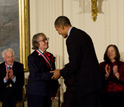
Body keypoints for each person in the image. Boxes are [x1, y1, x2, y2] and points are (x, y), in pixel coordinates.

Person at [50, 16, 104, 107]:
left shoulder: (72, 39)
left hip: (87, 85)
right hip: (94, 82)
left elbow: (75, 63)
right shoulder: (82, 34)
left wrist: (61, 72)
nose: (58, 33)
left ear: (62, 26)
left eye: (57, 30)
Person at [26, 33, 59, 107]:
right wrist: (52, 74)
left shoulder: (50, 55)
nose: (46, 41)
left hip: (47, 92)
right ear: (37, 44)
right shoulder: (32, 57)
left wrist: (53, 91)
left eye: (46, 39)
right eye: (43, 40)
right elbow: (36, 75)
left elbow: (53, 73)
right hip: (37, 93)